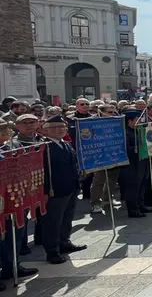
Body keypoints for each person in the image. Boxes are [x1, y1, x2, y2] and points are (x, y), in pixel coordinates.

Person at [40, 115, 87, 264]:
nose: (59, 130)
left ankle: (64, 242)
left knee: (67, 218)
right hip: (55, 190)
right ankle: (52, 250)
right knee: (53, 222)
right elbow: (43, 172)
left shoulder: (65, 144)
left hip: (70, 187)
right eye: (54, 127)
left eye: (62, 127)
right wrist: (45, 191)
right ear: (45, 130)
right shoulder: (44, 147)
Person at [0, 119, 38, 281]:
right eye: (1, 130)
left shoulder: (14, 145)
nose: (5, 132)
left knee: (15, 233)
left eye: (7, 129)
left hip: (16, 196)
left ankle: (13, 266)